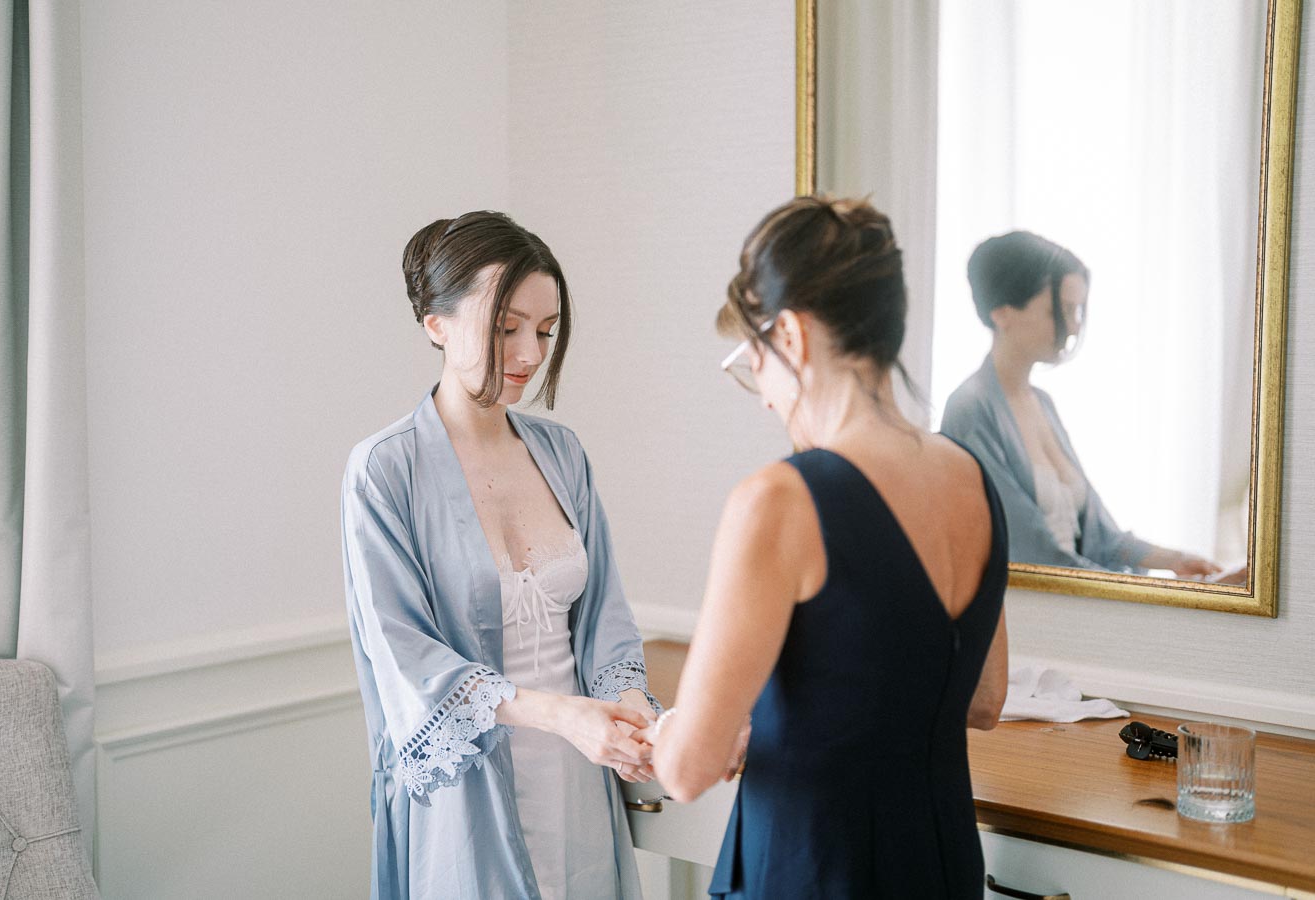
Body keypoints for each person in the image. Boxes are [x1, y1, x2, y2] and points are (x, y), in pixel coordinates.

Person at [640, 196, 1010, 899]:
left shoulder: (780, 500)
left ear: (791, 335)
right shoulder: (970, 477)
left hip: (812, 872)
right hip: (939, 871)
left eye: (755, 358)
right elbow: (983, 698)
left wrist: (678, 729)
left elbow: (687, 772)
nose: (762, 395)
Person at [341, 210, 660, 900]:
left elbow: (604, 615)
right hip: (466, 789)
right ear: (437, 324)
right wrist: (561, 714)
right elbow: (404, 656)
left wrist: (627, 706)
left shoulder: (562, 453)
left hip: (578, 775)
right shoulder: (384, 470)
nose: (529, 353)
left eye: (544, 331)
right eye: (505, 327)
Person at [940, 230, 1225, 577]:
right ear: (1002, 313)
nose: (1074, 326)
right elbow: (1030, 552)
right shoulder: (970, 410)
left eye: (1078, 310)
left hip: (1076, 598)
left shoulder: (1042, 404)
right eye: (1060, 310)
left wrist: (1173, 560)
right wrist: (1140, 592)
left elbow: (1099, 534)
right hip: (1034, 608)